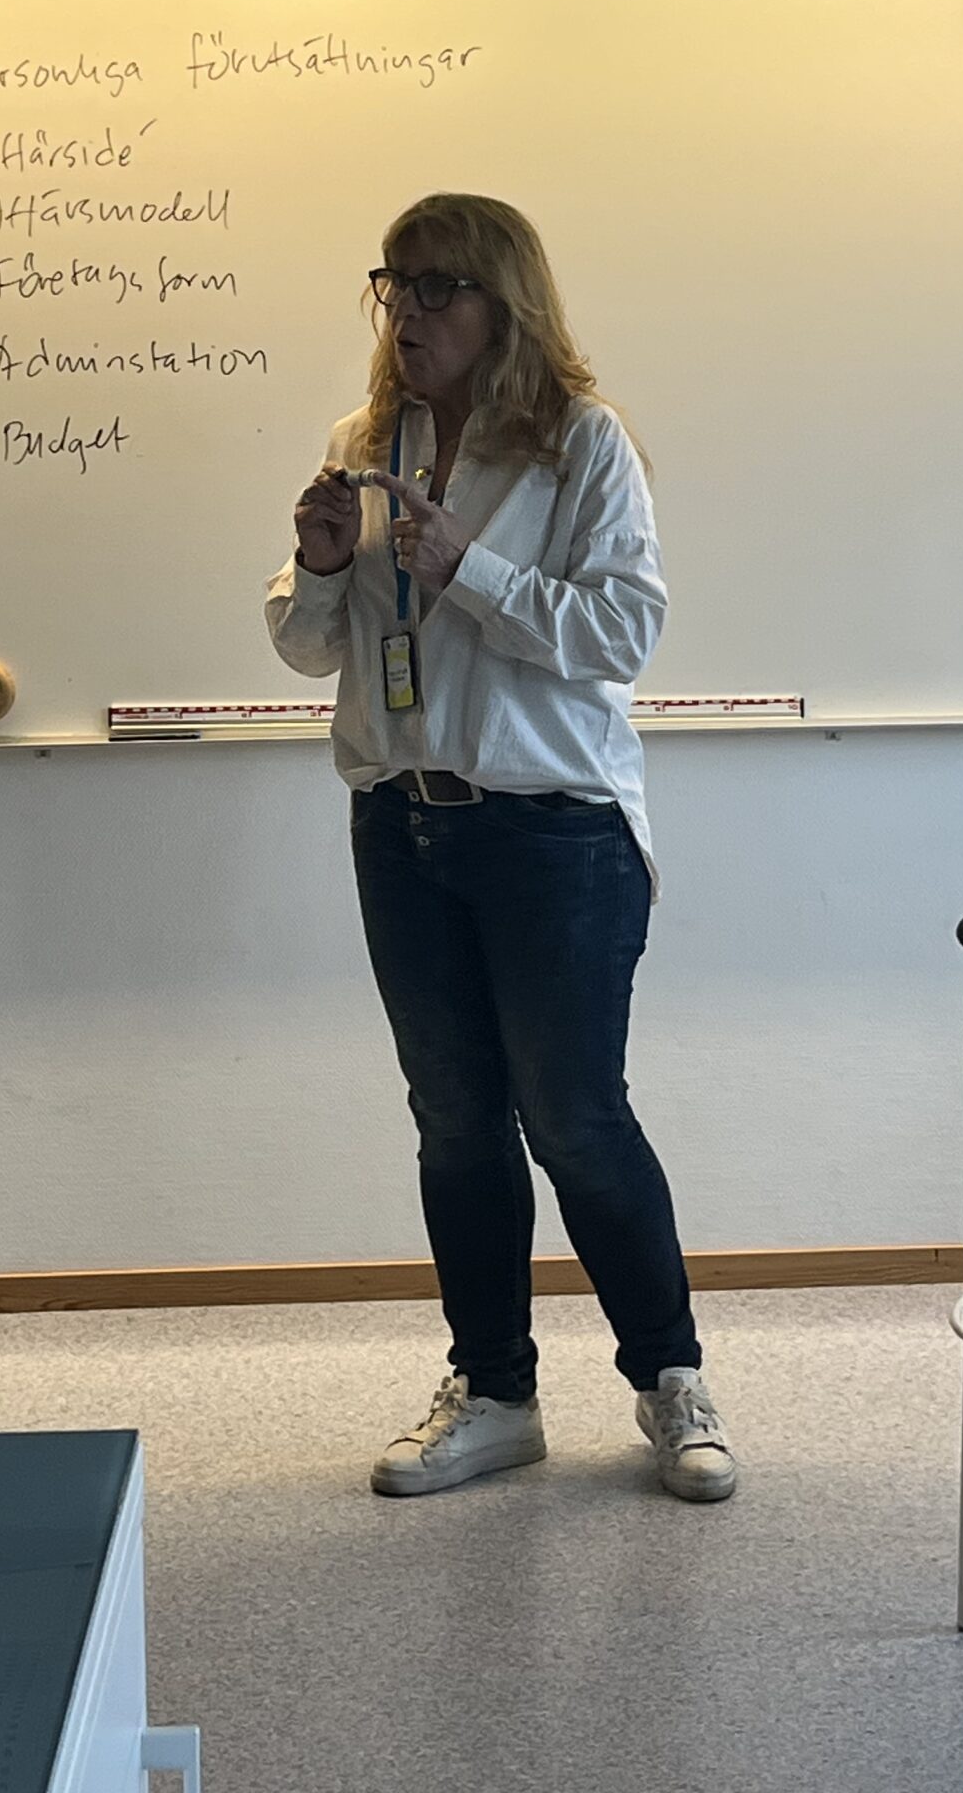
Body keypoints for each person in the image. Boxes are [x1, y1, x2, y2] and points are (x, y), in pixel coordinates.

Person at [266, 191, 735, 1504]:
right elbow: (310, 648)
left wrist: (468, 567)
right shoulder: (366, 442)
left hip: (555, 831)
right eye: (393, 285)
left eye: (438, 288)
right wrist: (319, 565)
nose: (406, 314)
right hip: (400, 821)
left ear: (502, 302)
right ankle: (495, 1394)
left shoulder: (580, 444)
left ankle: (672, 1382)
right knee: (456, 1124)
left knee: (574, 1119)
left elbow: (620, 636)